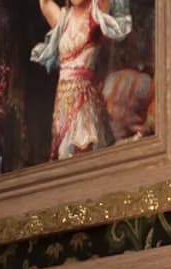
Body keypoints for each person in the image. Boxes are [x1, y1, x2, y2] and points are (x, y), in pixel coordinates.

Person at [32, 0, 133, 161]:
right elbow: (44, 2)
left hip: (84, 104)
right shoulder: (63, 19)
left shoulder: (96, 12)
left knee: (82, 154)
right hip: (62, 105)